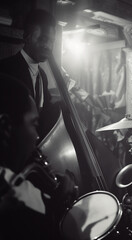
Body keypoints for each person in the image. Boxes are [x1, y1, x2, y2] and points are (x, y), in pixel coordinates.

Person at [0, 75, 78, 239]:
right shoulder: (12, 198)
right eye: (33, 124)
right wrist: (55, 207)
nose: (36, 136)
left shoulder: (13, 178)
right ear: (5, 127)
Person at [0, 8, 59, 141]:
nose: (48, 46)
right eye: (43, 39)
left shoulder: (42, 76)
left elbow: (42, 114)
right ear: (27, 37)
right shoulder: (5, 69)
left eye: (51, 41)